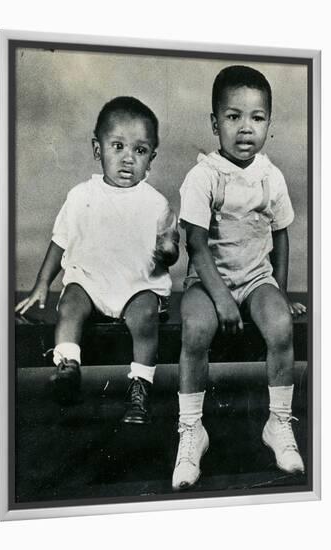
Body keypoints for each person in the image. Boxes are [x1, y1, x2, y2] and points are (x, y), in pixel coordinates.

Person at [172, 65, 306, 490]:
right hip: (207, 283)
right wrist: (221, 298)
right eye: (233, 117)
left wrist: (278, 293)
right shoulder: (204, 175)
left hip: (254, 279)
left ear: (268, 122)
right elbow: (195, 243)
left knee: (281, 325)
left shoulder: (271, 176)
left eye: (257, 117)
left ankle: (278, 422)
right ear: (215, 123)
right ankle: (192, 430)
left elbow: (281, 234)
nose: (246, 128)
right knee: (195, 328)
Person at [16, 96, 179, 424]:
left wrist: (169, 249)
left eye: (140, 151)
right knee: (71, 302)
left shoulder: (156, 203)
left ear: (152, 159)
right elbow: (59, 242)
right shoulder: (81, 197)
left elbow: (171, 250)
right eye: (117, 146)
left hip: (136, 287)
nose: (127, 159)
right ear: (97, 149)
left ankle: (140, 387)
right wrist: (41, 286)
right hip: (92, 284)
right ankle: (68, 365)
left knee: (146, 313)